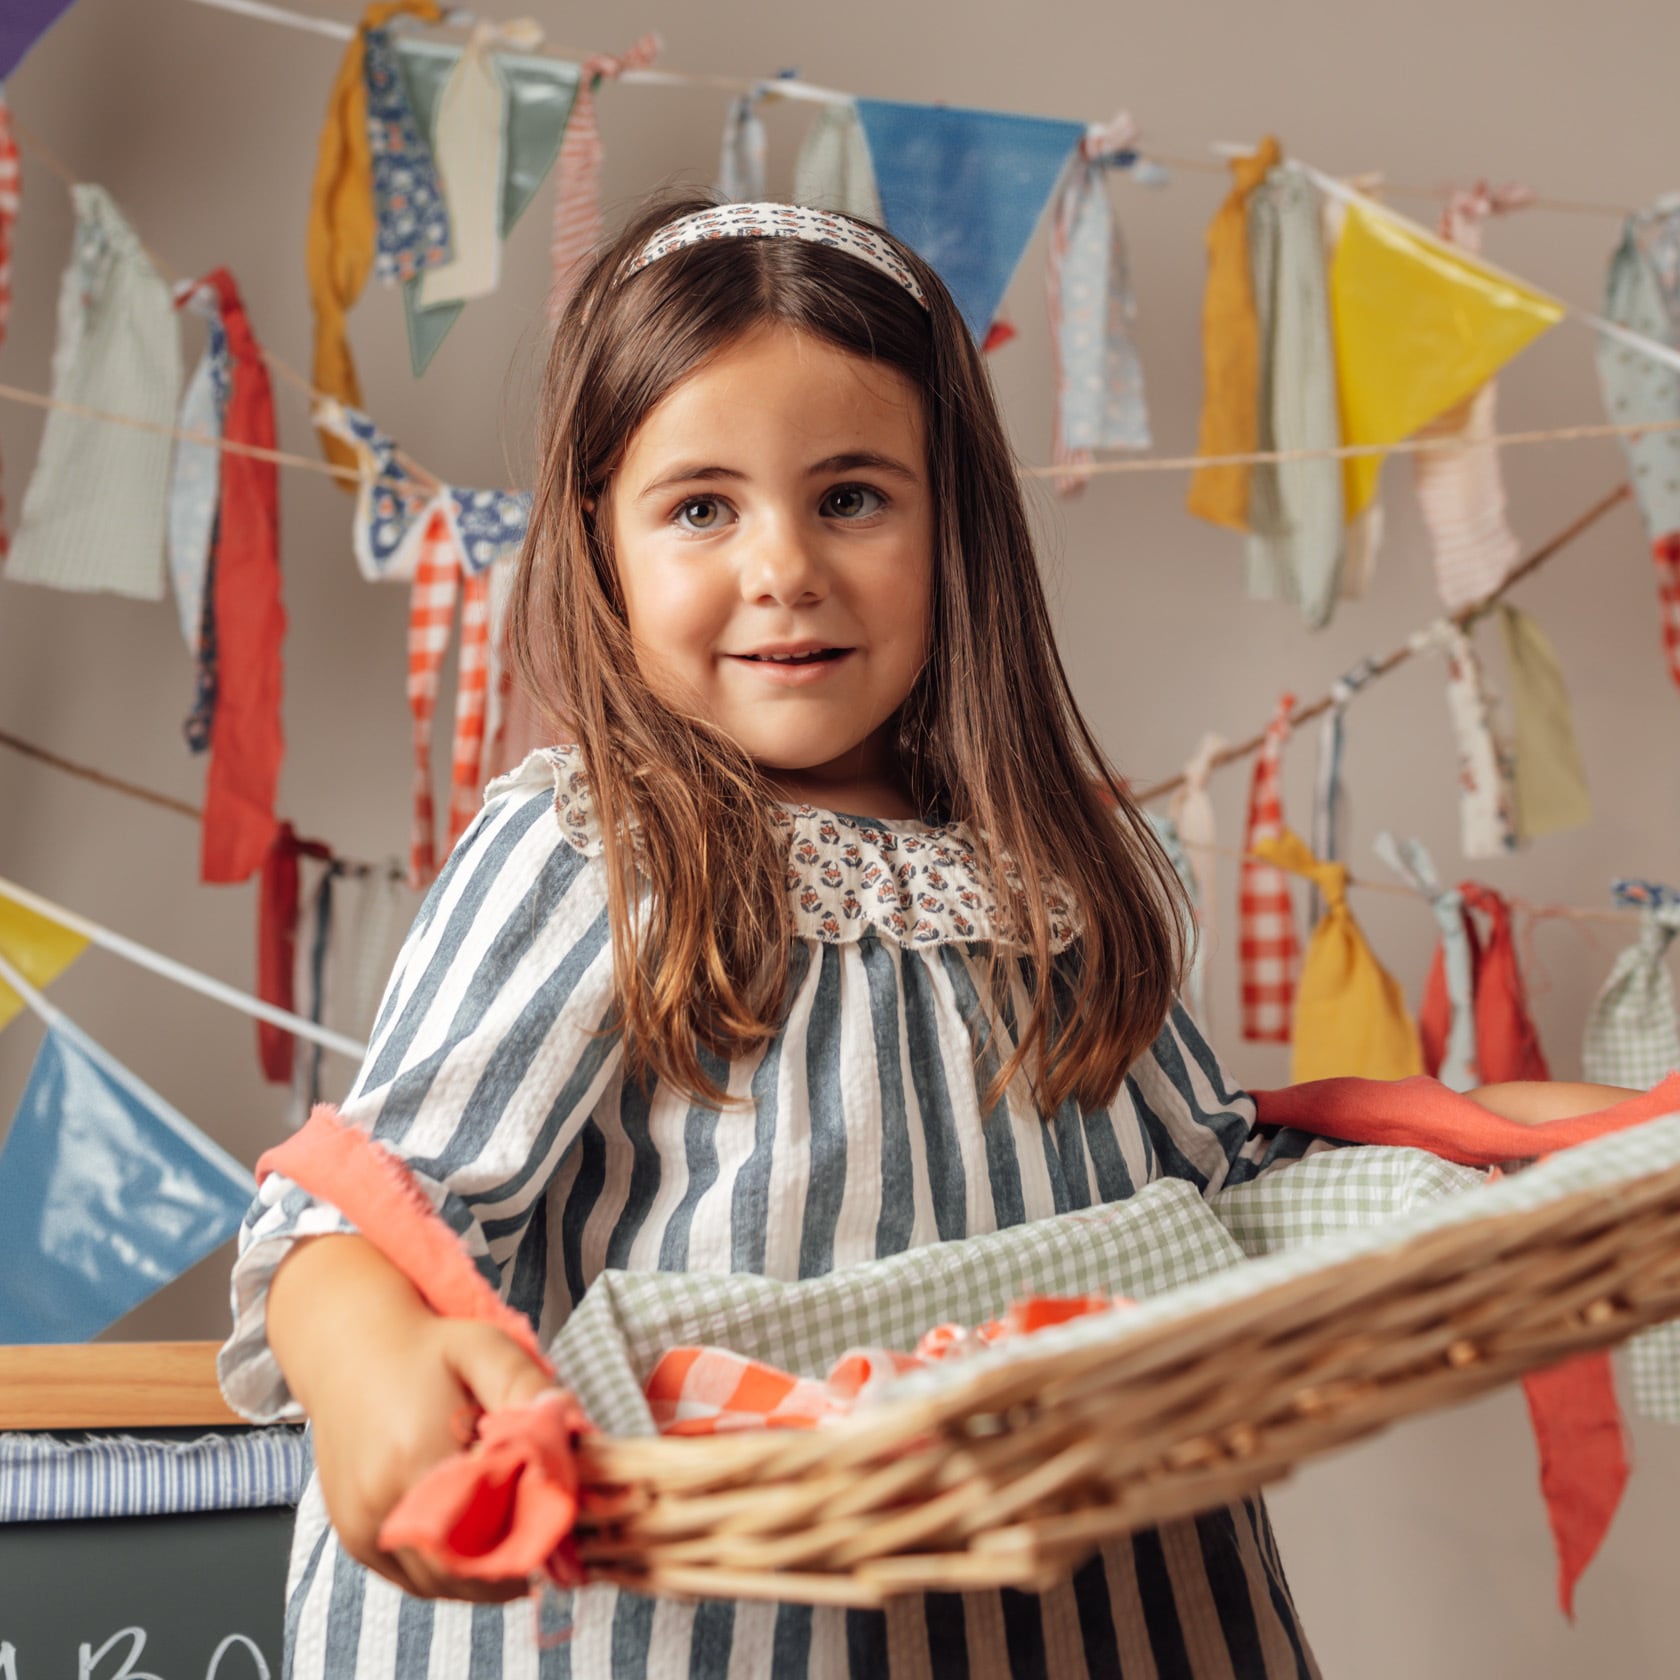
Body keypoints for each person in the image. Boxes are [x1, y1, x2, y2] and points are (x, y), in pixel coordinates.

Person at [217, 197, 1622, 1679]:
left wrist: (1551, 1146)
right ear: (599, 543)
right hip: (687, 1625)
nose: (785, 570)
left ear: (954, 522)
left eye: (851, 498)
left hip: (1078, 1612)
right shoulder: (593, 853)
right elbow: (360, 1207)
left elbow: (1215, 1191)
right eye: (702, 507)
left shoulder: (1069, 862)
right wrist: (362, 1364)